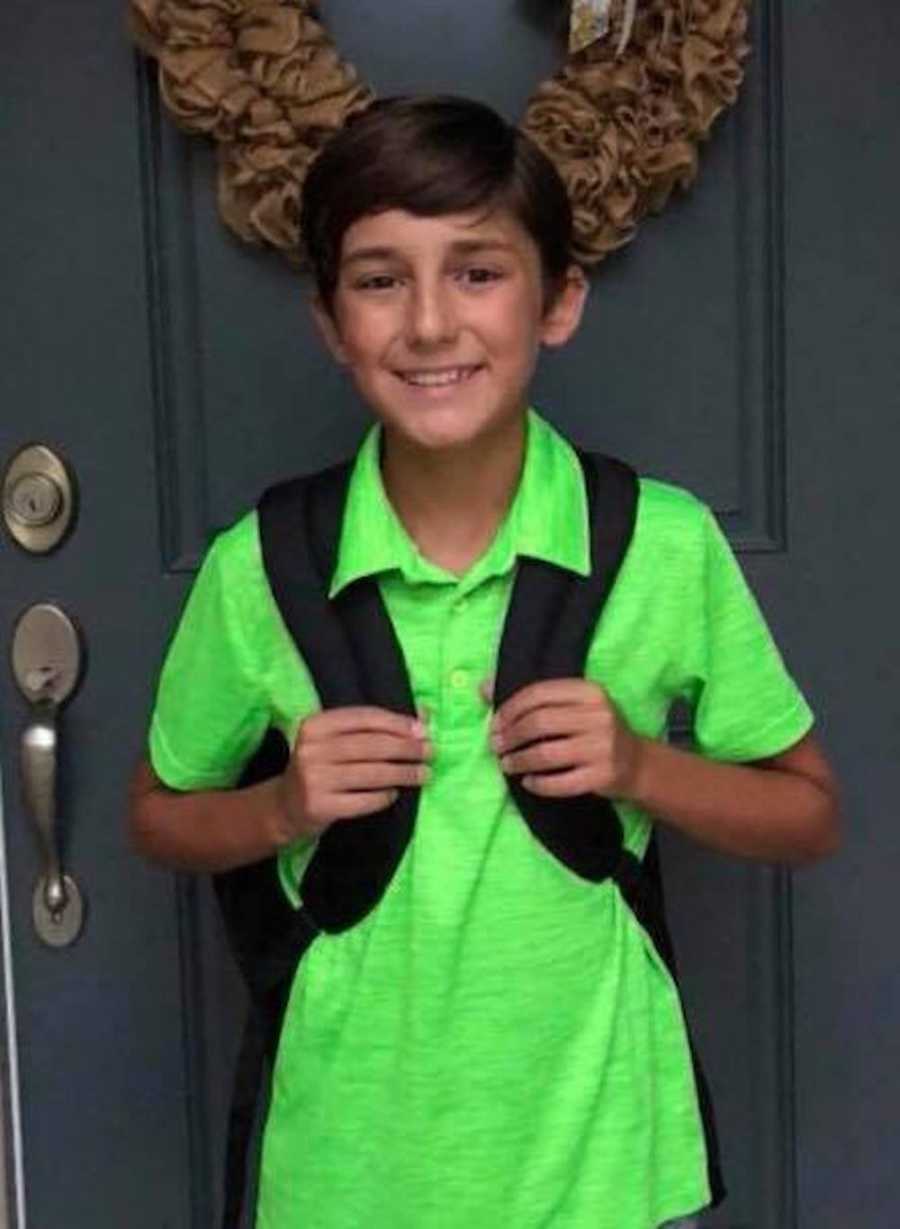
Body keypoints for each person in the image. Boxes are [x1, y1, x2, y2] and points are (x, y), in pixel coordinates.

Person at [129, 95, 840, 1229]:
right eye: (378, 278)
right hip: (343, 1170)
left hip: (604, 1160)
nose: (427, 323)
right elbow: (160, 815)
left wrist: (642, 767)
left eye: (477, 272)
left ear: (558, 300)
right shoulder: (259, 565)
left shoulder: (661, 543)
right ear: (327, 319)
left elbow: (808, 814)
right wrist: (279, 805)